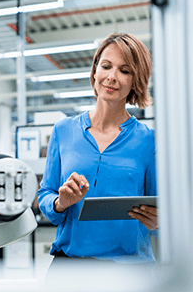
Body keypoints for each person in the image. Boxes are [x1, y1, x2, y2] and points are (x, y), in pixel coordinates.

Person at [37, 33, 158, 270]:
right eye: (106, 66)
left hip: (130, 270)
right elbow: (45, 196)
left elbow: (164, 211)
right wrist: (61, 202)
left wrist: (160, 222)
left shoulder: (149, 141)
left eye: (125, 71)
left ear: (136, 80)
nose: (112, 77)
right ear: (95, 71)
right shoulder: (64, 131)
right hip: (70, 268)